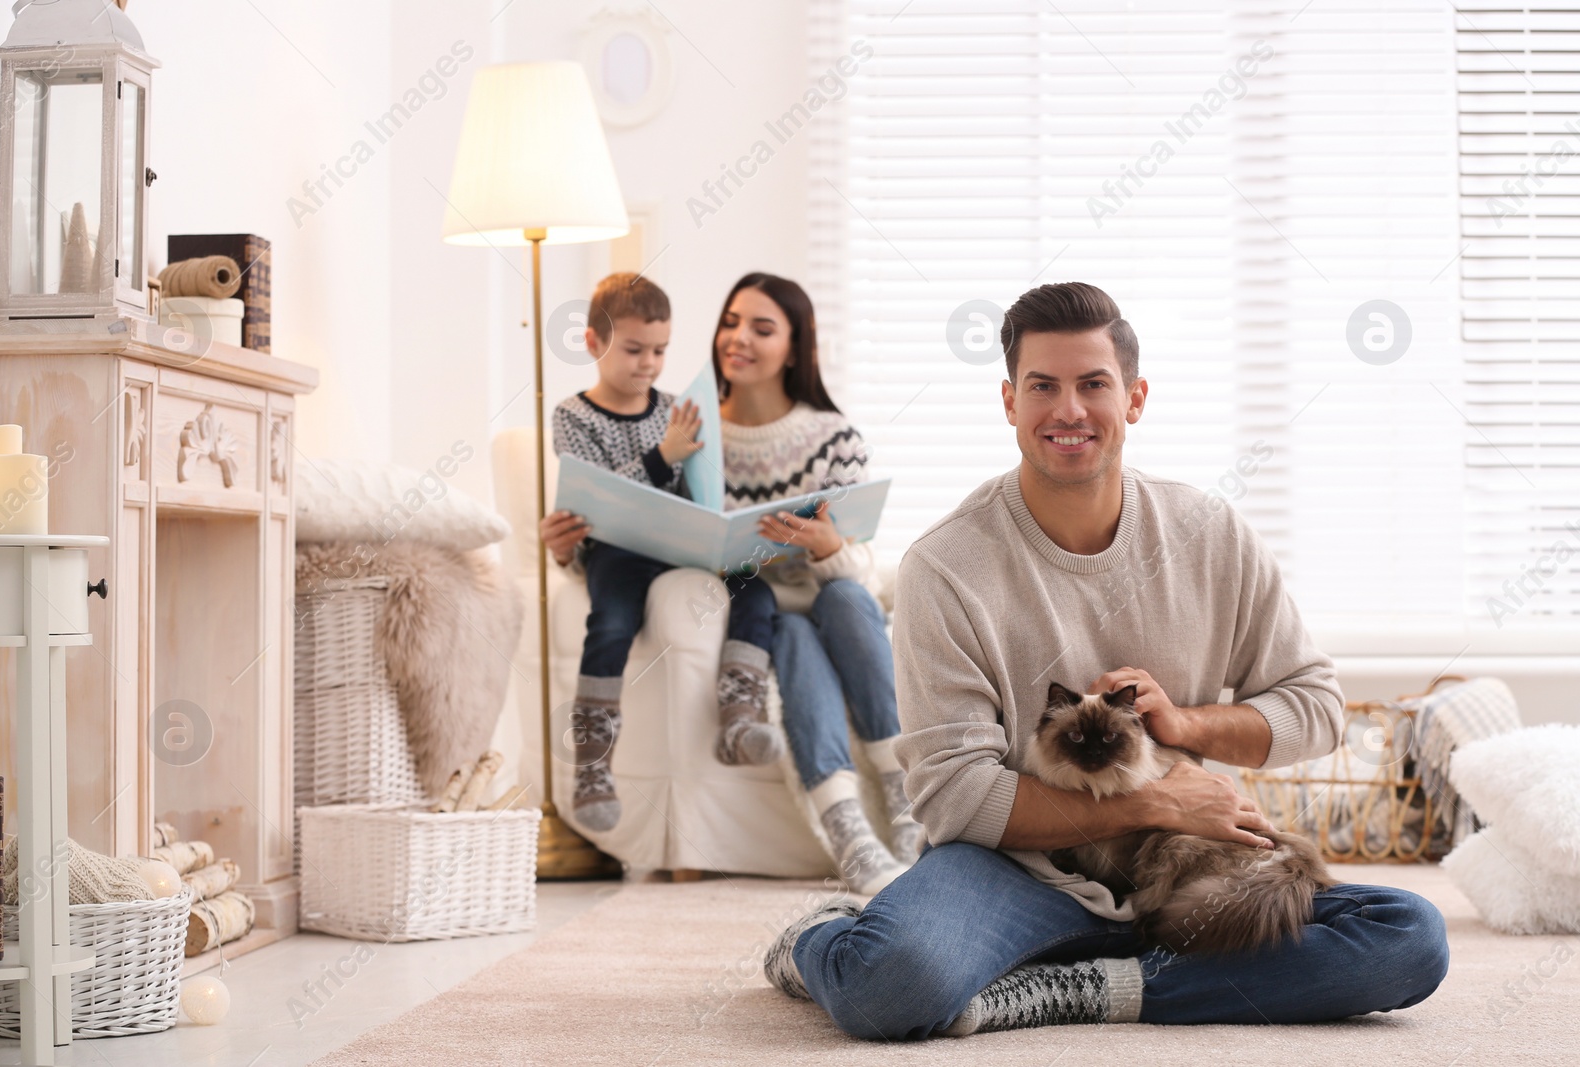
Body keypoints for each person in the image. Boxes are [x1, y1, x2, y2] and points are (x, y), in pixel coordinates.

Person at [762, 281, 1449, 1037]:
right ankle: (816, 940)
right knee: (890, 985)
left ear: (1135, 398)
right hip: (1016, 869)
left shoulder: (1211, 532)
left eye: (1093, 384)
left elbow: (1316, 707)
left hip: (1181, 867)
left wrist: (1185, 723)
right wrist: (1153, 799)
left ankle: (1088, 988)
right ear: (1009, 402)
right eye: (1042, 387)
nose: (1068, 410)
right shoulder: (946, 566)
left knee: (1409, 937)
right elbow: (953, 797)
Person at [540, 272, 785, 834]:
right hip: (616, 550)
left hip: (679, 544)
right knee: (611, 622)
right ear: (593, 343)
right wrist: (663, 453)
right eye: (633, 349)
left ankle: (739, 719)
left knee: (756, 586)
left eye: (659, 350)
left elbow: (698, 485)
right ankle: (593, 764)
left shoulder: (678, 408)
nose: (648, 363)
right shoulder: (571, 416)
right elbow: (600, 495)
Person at [712, 272, 917, 896]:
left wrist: (831, 550)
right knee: (794, 635)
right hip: (767, 616)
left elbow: (859, 573)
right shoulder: (694, 440)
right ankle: (850, 835)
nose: (738, 338)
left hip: (839, 603)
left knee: (847, 594)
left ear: (796, 349)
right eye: (730, 322)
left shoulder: (835, 438)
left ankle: (908, 808)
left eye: (761, 327)